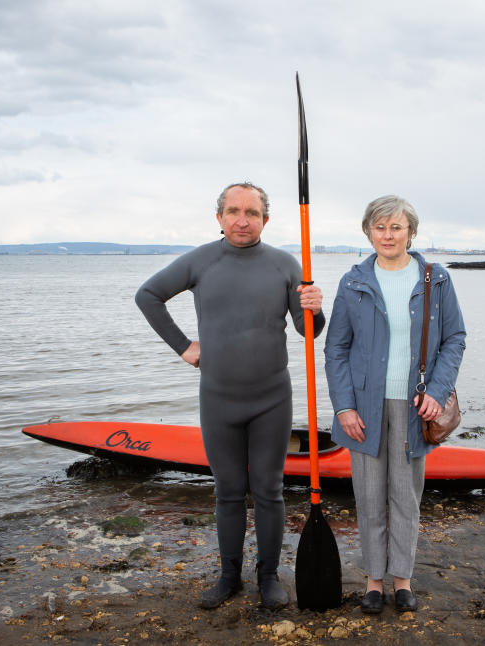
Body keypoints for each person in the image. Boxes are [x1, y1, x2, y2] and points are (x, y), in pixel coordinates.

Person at [135, 182, 325, 610]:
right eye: (234, 211)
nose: (243, 219)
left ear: (266, 220)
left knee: (270, 490)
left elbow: (308, 331)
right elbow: (148, 296)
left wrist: (314, 307)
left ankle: (269, 577)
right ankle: (228, 576)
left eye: (252, 212)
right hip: (219, 398)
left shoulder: (284, 265)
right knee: (228, 491)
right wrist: (184, 347)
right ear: (219, 217)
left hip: (272, 397)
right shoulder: (202, 260)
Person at [324, 195, 465, 614]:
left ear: (411, 232)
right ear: (368, 232)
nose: (388, 235)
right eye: (380, 227)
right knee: (368, 498)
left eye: (396, 227)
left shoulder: (435, 280)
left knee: (406, 496)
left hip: (415, 408)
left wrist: (437, 392)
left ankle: (402, 580)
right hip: (364, 408)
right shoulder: (352, 283)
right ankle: (372, 581)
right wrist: (344, 407)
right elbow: (336, 349)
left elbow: (455, 338)